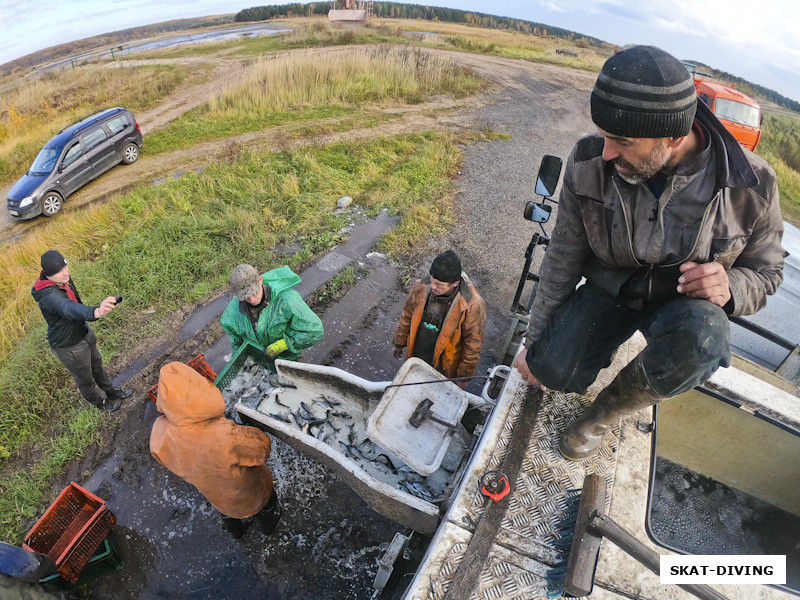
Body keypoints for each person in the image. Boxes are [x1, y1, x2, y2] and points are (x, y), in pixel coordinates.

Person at [512, 46, 785, 461]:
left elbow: (767, 273)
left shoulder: (754, 185)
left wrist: (730, 285)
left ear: (674, 137)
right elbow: (563, 255)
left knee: (706, 340)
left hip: (680, 307)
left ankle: (605, 413)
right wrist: (535, 345)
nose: (606, 152)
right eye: (604, 135)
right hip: (610, 291)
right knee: (551, 367)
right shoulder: (588, 162)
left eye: (621, 141)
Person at [150, 362, 281, 539]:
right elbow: (262, 449)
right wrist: (248, 429)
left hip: (218, 498)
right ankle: (269, 530)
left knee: (229, 515)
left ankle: (237, 534)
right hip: (250, 493)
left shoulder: (159, 435)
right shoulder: (225, 435)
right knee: (266, 510)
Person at [32, 250, 131, 412]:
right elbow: (68, 308)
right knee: (85, 378)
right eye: (59, 271)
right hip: (69, 345)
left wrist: (87, 319)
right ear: (48, 275)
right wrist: (96, 312)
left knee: (97, 364)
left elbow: (75, 302)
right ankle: (100, 403)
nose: (66, 273)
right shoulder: (48, 297)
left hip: (83, 331)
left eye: (65, 267)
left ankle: (111, 391)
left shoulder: (63, 279)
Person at [393, 250, 487, 388]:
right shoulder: (421, 287)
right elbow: (407, 315)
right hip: (419, 353)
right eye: (432, 281)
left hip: (445, 365)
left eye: (440, 285)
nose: (434, 287)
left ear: (454, 284)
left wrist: (463, 377)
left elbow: (473, 343)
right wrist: (399, 342)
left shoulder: (472, 305)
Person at [221, 264, 323, 361]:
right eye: (245, 296)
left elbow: (314, 331)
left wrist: (285, 344)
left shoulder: (286, 300)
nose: (251, 299)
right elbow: (237, 342)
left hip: (286, 358)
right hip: (259, 361)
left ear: (260, 280)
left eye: (253, 292)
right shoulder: (233, 313)